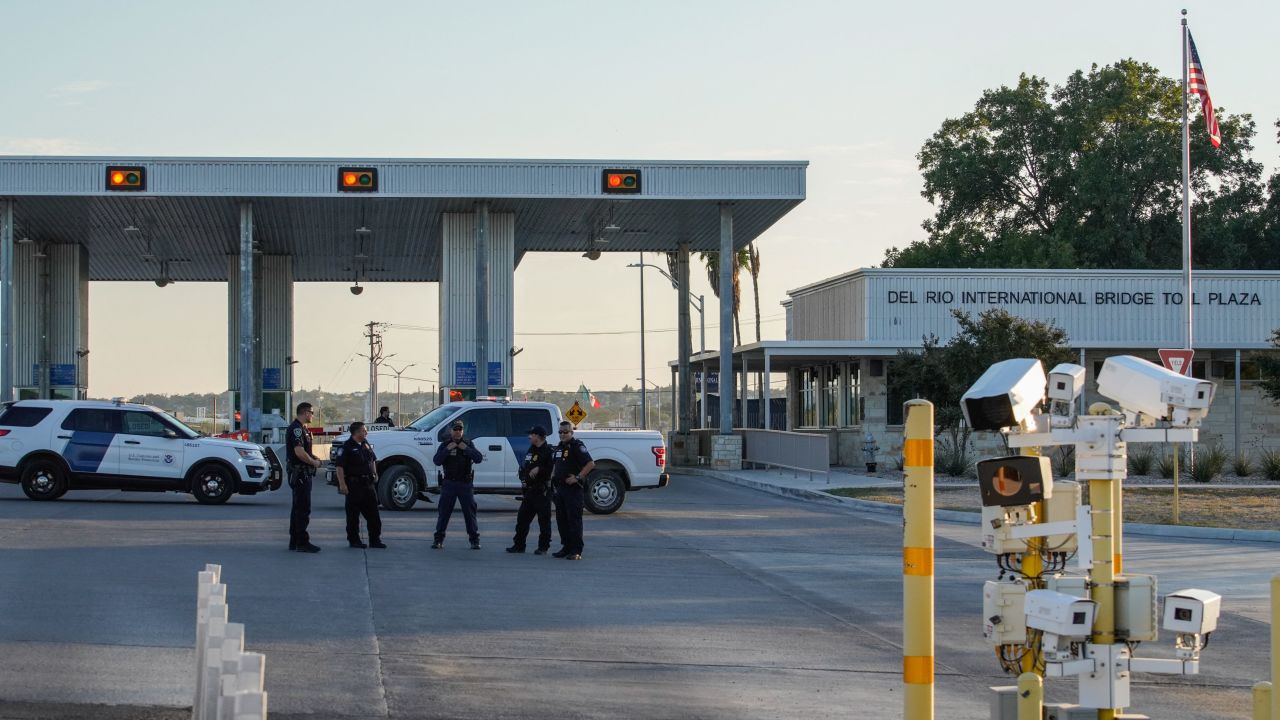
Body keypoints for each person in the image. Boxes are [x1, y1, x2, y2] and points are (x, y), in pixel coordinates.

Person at [432, 420, 483, 550]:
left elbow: (478, 458)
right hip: (449, 483)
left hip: (465, 484)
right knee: (444, 513)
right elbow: (437, 461)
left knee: (470, 513)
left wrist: (466, 448)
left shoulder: (468, 443)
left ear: (463, 431)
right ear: (451, 431)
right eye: (455, 429)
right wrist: (447, 450)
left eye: (460, 429)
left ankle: (474, 540)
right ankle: (438, 540)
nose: (458, 432)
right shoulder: (445, 444)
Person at [506, 425, 556, 555]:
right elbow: (526, 466)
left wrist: (540, 469)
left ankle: (543, 547)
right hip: (530, 491)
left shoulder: (548, 451)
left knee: (544, 521)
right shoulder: (532, 449)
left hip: (542, 492)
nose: (529, 437)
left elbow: (552, 471)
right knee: (522, 519)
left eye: (532, 435)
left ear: (538, 436)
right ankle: (519, 545)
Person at [335, 421, 385, 549]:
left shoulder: (365, 444)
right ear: (356, 433)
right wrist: (342, 485)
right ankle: (354, 541)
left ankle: (375, 540)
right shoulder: (346, 447)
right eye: (364, 431)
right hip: (354, 486)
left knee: (374, 515)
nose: (366, 433)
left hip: (368, 484)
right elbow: (339, 467)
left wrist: (375, 474)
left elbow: (372, 459)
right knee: (353, 516)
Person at [551, 421, 594, 561]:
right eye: (560, 432)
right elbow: (556, 465)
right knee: (561, 520)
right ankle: (566, 547)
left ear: (571, 432)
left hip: (573, 490)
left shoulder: (577, 446)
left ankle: (576, 550)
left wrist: (577, 477)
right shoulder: (559, 447)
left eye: (565, 432)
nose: (562, 434)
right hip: (560, 489)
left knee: (574, 520)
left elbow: (590, 464)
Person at [287, 402, 324, 553]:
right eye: (312, 412)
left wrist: (314, 458)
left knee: (298, 508)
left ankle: (295, 541)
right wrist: (313, 462)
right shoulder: (296, 429)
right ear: (305, 412)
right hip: (300, 473)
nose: (313, 415)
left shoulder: (303, 429)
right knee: (302, 509)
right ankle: (302, 542)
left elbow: (306, 451)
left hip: (303, 473)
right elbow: (299, 452)